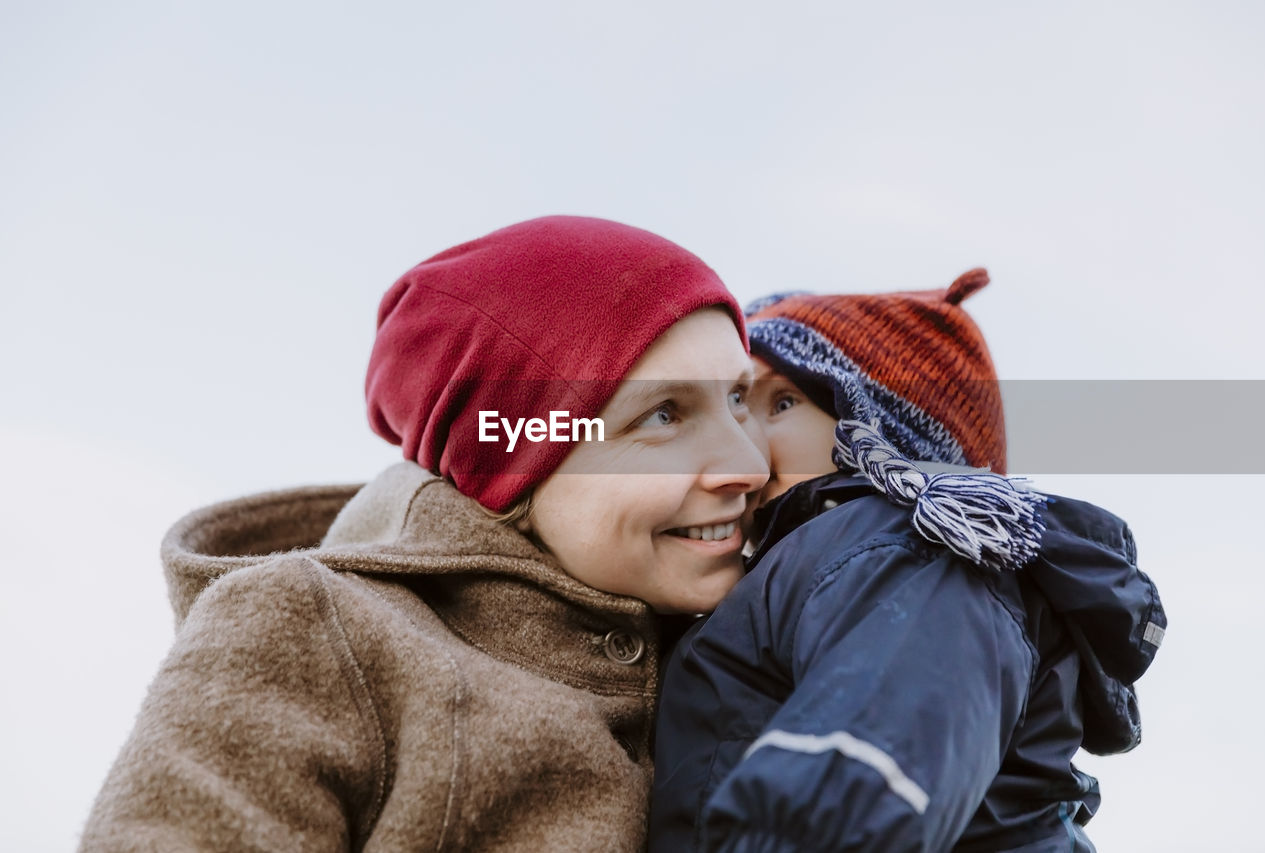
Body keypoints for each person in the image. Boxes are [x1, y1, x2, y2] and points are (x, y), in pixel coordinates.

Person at [79, 216, 771, 851]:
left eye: (738, 397)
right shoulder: (308, 632)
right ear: (507, 461)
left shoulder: (757, 642)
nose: (750, 463)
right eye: (663, 415)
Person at [649, 270, 1167, 852]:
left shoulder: (907, 555)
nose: (740, 440)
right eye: (739, 403)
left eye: (783, 401)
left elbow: (858, 786)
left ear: (882, 439)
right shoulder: (812, 568)